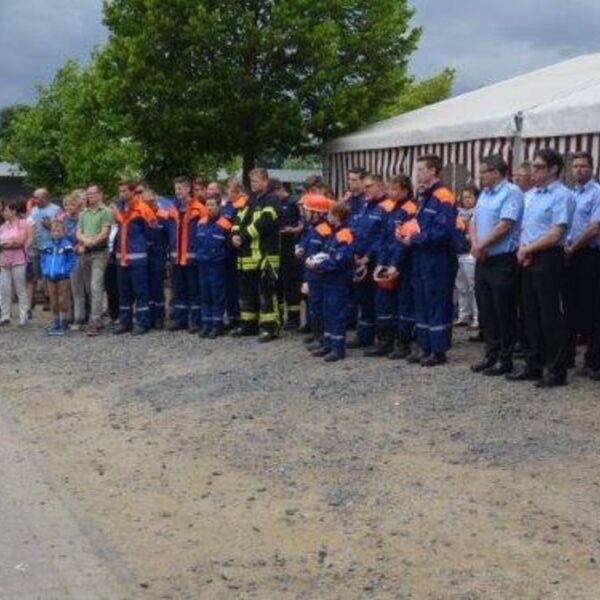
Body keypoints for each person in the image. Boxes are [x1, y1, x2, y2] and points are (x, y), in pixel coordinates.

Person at [507, 149, 574, 387]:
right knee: (529, 314)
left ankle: (556, 370)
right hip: (528, 255)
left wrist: (529, 248)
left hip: (548, 257)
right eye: (533, 167)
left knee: (550, 315)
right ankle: (533, 364)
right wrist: (522, 249)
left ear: (553, 169)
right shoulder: (532, 195)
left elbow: (557, 232)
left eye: (538, 167)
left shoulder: (562, 195)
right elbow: (526, 226)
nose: (533, 171)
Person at [470, 156, 524, 376]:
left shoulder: (511, 192)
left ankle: (505, 358)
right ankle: (491, 354)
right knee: (487, 309)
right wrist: (475, 245)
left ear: (497, 172)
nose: (480, 176)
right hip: (483, 258)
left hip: (501, 259)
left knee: (503, 310)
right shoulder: (485, 194)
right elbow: (472, 221)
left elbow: (505, 225)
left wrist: (481, 245)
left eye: (483, 172)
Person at [406, 155, 458, 367]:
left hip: (437, 257)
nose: (417, 173)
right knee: (422, 301)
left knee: (436, 302)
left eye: (421, 169)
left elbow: (443, 231)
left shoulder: (443, 196)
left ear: (433, 171)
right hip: (421, 256)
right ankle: (425, 346)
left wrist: (416, 237)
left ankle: (438, 350)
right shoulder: (423, 196)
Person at [368, 174, 418, 358]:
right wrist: (380, 262)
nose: (390, 192)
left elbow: (404, 241)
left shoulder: (410, 209)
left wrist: (395, 264)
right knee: (384, 303)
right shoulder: (392, 209)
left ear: (405, 190)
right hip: (387, 262)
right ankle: (385, 341)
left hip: (404, 265)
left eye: (394, 189)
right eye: (389, 188)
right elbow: (383, 238)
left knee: (403, 304)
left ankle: (403, 344)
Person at [231, 168, 281, 342]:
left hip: (266, 255)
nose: (253, 184)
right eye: (251, 182)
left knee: (267, 292)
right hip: (247, 256)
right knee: (247, 293)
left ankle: (270, 327)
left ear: (266, 181)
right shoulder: (249, 201)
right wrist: (234, 235)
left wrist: (242, 236)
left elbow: (266, 223)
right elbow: (237, 219)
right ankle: (249, 325)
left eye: (257, 181)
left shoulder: (272, 200)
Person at [564, 152, 600, 379]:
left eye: (583, 166)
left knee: (593, 309)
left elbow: (594, 228)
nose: (579, 170)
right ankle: (569, 356)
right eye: (575, 166)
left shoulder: (596, 193)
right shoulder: (570, 194)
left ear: (592, 168)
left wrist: (573, 247)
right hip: (569, 255)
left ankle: (594, 361)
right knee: (571, 306)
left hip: (589, 254)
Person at [306, 201, 354, 362]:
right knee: (328, 312)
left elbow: (339, 258)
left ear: (337, 216)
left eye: (330, 214)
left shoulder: (344, 233)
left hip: (338, 279)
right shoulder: (335, 232)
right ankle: (328, 344)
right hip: (329, 279)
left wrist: (318, 264)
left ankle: (338, 348)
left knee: (336, 314)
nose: (327, 217)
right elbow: (328, 253)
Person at [346, 173, 386, 349]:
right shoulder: (364, 206)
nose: (365, 189)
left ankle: (383, 338)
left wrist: (368, 256)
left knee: (379, 301)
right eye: (365, 186)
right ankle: (364, 336)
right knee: (363, 300)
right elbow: (355, 231)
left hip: (376, 260)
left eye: (369, 186)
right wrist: (355, 253)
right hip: (360, 260)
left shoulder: (385, 207)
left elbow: (383, 237)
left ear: (380, 187)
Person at [113, 189, 156, 335]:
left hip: (137, 258)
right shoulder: (119, 208)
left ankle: (143, 323)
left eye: (124, 191)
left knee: (141, 292)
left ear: (132, 192)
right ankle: (125, 322)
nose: (121, 194)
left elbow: (152, 232)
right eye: (120, 191)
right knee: (124, 293)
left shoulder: (143, 208)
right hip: (122, 258)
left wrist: (142, 246)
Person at [167, 176, 207, 333]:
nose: (178, 192)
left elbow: (203, 233)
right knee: (179, 291)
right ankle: (180, 319)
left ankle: (195, 321)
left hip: (192, 258)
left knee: (194, 291)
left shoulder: (199, 208)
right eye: (176, 189)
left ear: (188, 189)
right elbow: (169, 232)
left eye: (181, 189)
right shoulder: (173, 209)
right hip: (176, 257)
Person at [296, 194, 333, 351]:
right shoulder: (312, 228)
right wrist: (300, 248)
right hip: (310, 274)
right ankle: (319, 338)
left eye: (308, 211)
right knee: (314, 307)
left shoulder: (325, 231)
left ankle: (324, 340)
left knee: (320, 308)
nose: (305, 214)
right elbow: (306, 246)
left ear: (317, 213)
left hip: (319, 276)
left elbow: (325, 254)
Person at [76, 185, 113, 336]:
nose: (90, 196)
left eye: (93, 194)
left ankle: (95, 320)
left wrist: (91, 241)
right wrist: (86, 240)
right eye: (88, 194)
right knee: (89, 288)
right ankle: (96, 317)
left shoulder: (106, 212)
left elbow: (105, 232)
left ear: (100, 194)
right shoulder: (84, 213)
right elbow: (78, 232)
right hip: (85, 254)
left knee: (96, 286)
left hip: (99, 253)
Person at [195, 195, 233, 338]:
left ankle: (217, 325)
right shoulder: (201, 223)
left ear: (219, 207)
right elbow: (196, 243)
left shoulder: (225, 224)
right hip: (203, 264)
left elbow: (229, 247)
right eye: (207, 205)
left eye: (212, 205)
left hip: (217, 265)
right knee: (205, 295)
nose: (209, 208)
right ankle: (206, 324)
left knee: (217, 295)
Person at [142, 185, 175, 330]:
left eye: (152, 201)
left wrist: (168, 258)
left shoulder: (164, 215)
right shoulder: (141, 216)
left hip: (159, 255)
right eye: (147, 202)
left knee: (157, 287)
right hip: (144, 254)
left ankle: (159, 317)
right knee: (145, 287)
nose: (151, 205)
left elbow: (170, 238)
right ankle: (148, 316)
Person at [272, 178, 303, 330]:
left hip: (291, 248)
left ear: (279, 189)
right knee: (278, 284)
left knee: (291, 283)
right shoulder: (275, 204)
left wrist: (294, 230)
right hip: (278, 247)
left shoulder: (294, 202)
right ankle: (279, 317)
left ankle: (294, 318)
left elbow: (303, 224)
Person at [40, 219, 77, 335]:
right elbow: (43, 260)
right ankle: (55, 323)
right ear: (50, 232)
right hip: (50, 277)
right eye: (53, 230)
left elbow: (72, 260)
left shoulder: (66, 245)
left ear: (63, 232)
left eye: (58, 230)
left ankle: (63, 323)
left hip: (62, 277)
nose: (56, 233)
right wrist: (45, 270)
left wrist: (65, 270)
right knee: (53, 300)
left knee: (63, 300)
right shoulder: (47, 245)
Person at [29, 188, 61, 312]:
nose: (34, 199)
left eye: (37, 197)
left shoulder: (55, 210)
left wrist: (49, 226)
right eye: (34, 197)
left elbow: (59, 227)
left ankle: (48, 299)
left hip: (50, 246)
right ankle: (35, 299)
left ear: (45, 197)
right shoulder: (33, 210)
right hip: (35, 247)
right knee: (35, 275)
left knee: (48, 274)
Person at [0, 201, 30, 325]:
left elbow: (20, 241)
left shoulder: (22, 224)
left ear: (13, 211)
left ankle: (23, 315)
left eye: (6, 210)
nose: (3, 213)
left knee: (20, 288)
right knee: (4, 289)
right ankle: (5, 315)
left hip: (18, 260)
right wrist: (9, 242)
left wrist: (5, 242)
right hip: (3, 261)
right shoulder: (2, 226)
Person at [222, 178, 247, 329]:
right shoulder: (228, 206)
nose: (227, 192)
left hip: (238, 251)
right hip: (227, 251)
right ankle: (232, 317)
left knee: (239, 287)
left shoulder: (243, 206)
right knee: (229, 287)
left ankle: (241, 317)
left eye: (230, 190)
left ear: (238, 191)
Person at [454, 184, 479, 329]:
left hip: (471, 253)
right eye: (464, 197)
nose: (466, 200)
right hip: (459, 252)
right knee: (461, 287)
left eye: (469, 197)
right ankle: (463, 315)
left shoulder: (478, 212)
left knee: (473, 287)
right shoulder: (458, 213)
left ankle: (477, 318)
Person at [61, 192, 86, 329]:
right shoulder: (63, 219)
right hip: (65, 255)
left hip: (77, 255)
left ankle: (79, 317)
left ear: (77, 205)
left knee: (77, 289)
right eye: (66, 205)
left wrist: (76, 245)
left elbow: (83, 235)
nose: (68, 207)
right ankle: (67, 316)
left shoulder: (82, 219)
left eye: (71, 204)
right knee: (67, 288)